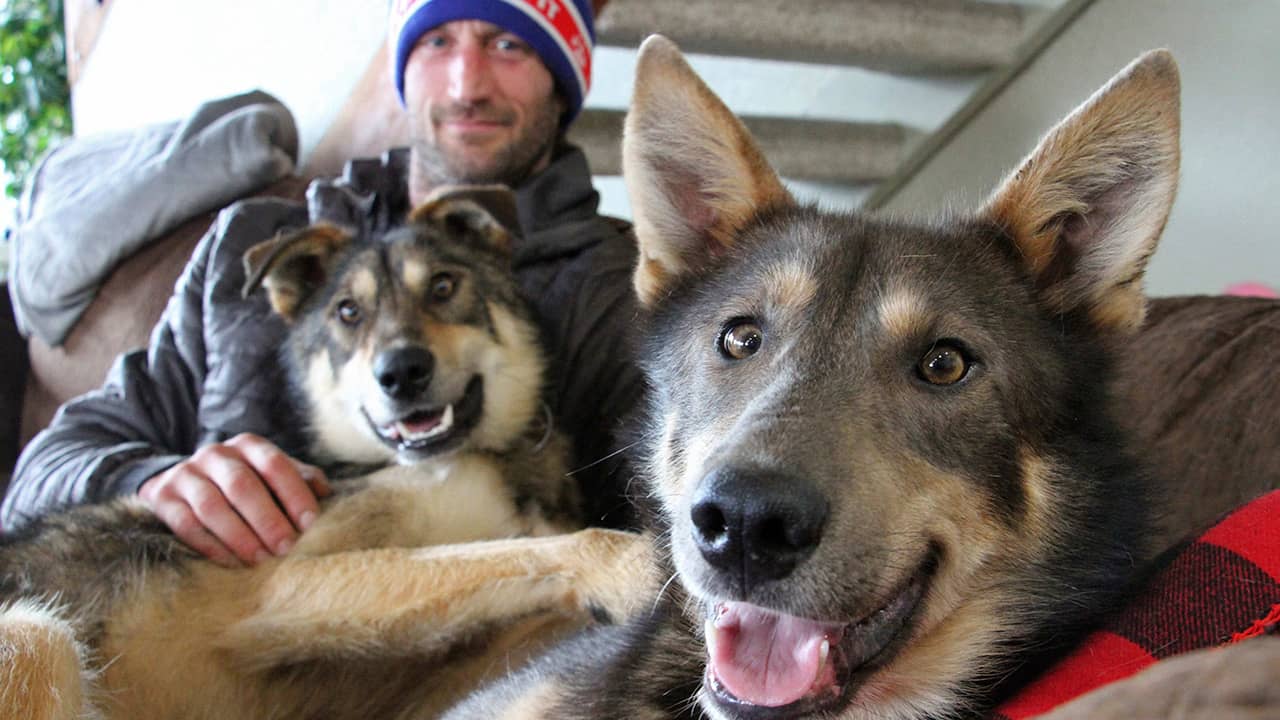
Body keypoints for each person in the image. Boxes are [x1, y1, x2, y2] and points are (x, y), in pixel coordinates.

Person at [2, 0, 643, 567]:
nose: (466, 84)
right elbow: (44, 470)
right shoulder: (249, 246)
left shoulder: (621, 286)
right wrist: (154, 481)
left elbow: (660, 546)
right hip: (203, 604)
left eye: (509, 44)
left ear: (564, 76)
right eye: (436, 41)